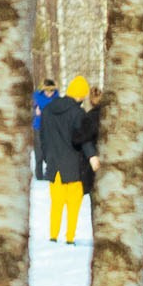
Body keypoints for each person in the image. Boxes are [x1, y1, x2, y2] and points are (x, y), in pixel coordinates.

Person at [43, 73, 101, 246]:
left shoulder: (48, 110)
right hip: (73, 166)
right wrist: (92, 156)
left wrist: (47, 157)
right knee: (73, 205)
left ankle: (53, 235)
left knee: (56, 204)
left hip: (54, 166)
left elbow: (43, 136)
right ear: (81, 95)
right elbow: (84, 138)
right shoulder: (78, 113)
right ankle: (69, 238)